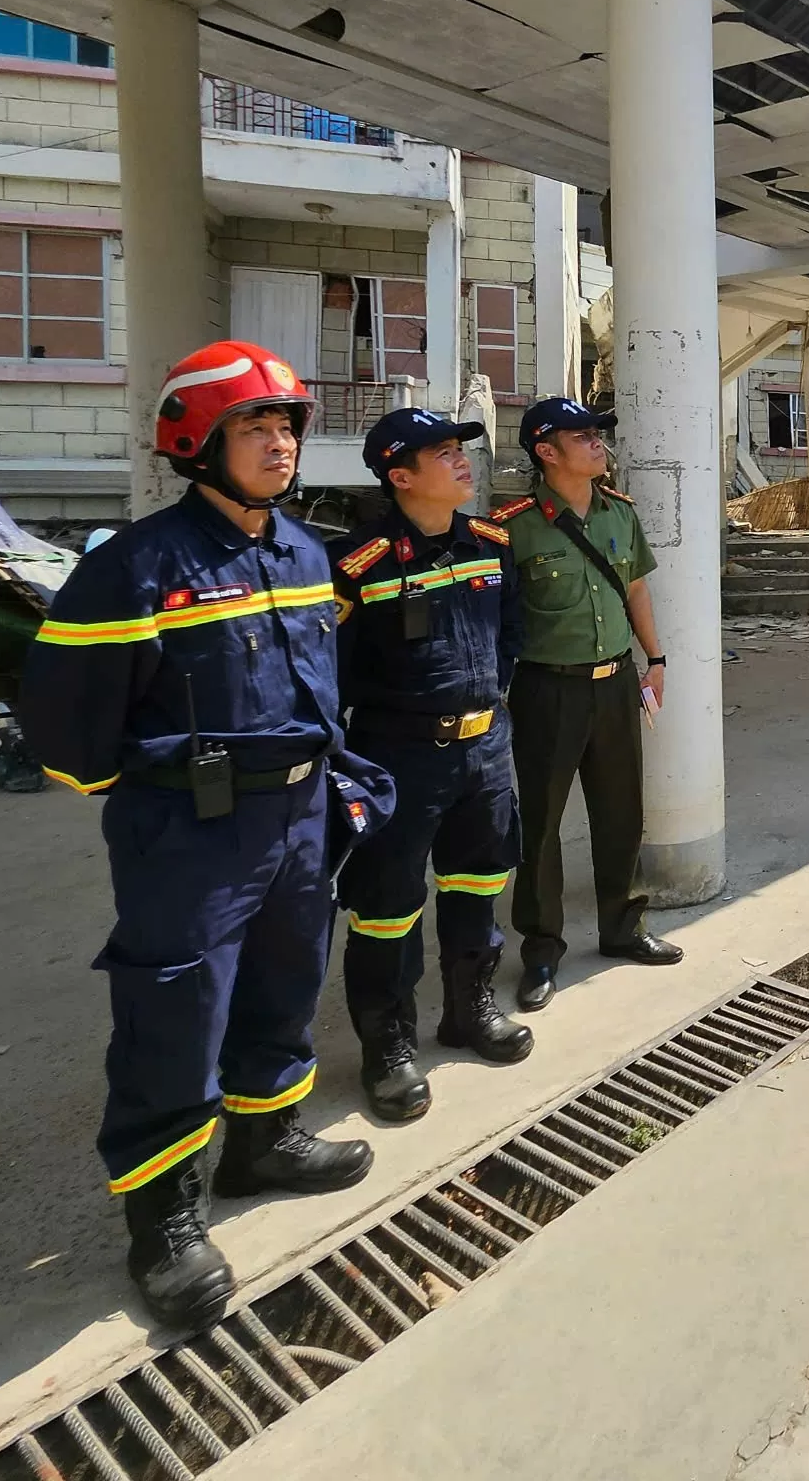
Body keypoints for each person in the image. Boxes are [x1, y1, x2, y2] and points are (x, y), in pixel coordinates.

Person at [21, 340, 394, 1334]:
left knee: (284, 984)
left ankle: (264, 1139)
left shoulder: (308, 554)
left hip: (300, 819)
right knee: (174, 1015)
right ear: (198, 441)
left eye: (285, 426)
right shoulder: (135, 567)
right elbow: (64, 729)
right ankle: (164, 1223)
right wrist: (155, 793)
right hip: (191, 831)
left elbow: (322, 689)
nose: (278, 444)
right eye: (253, 428)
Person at [328, 407, 534, 1124]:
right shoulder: (360, 564)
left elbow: (510, 635)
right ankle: (388, 1047)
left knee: (477, 886)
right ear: (400, 474)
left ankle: (469, 1009)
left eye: (459, 449)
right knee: (386, 910)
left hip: (485, 747)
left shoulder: (489, 544)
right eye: (441, 452)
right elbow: (335, 676)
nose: (460, 461)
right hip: (397, 755)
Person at [496, 396, 680, 1011]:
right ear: (546, 452)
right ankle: (543, 947)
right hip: (547, 686)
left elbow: (635, 589)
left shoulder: (620, 515)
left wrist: (655, 661)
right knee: (542, 824)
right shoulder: (512, 527)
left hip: (615, 682)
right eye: (583, 436)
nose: (598, 443)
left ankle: (622, 928)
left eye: (598, 433)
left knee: (621, 809)